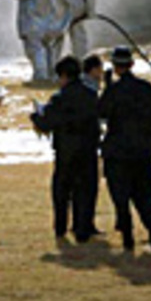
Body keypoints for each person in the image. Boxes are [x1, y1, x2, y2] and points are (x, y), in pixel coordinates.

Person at [98, 45, 151, 251]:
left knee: (121, 196)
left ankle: (128, 238)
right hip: (143, 152)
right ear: (132, 64)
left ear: (115, 67)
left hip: (118, 153)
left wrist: (107, 87)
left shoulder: (114, 91)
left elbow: (101, 113)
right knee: (145, 195)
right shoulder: (147, 89)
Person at [31, 55, 100, 243]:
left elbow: (47, 123)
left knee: (62, 192)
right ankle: (82, 228)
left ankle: (61, 227)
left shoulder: (60, 98)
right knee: (85, 191)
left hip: (66, 151)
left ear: (63, 76)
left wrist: (35, 117)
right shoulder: (90, 95)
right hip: (88, 151)